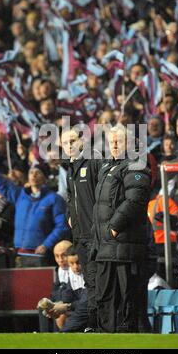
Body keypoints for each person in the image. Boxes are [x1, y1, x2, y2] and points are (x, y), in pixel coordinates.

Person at [91, 125, 152, 333]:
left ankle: (128, 343)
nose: (115, 145)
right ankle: (107, 342)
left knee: (126, 300)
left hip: (124, 247)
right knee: (105, 299)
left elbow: (136, 198)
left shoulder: (136, 164)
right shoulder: (107, 166)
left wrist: (114, 228)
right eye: (112, 141)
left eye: (120, 141)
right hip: (105, 247)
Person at [0, 157, 69, 267]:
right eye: (31, 172)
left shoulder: (54, 199)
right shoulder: (21, 195)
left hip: (40, 256)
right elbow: (2, 184)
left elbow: (62, 225)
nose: (33, 175)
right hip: (19, 254)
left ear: (45, 178)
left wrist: (46, 245)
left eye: (37, 173)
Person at [61, 128, 101, 332]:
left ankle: (98, 326)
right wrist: (71, 216)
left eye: (72, 140)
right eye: (65, 142)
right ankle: (94, 326)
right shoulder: (71, 170)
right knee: (90, 282)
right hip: (80, 237)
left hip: (95, 235)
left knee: (97, 282)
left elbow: (103, 197)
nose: (69, 145)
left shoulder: (93, 162)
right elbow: (70, 197)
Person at [39, 246, 88, 333]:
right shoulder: (70, 274)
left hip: (85, 310)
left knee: (66, 327)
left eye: (78, 263)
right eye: (71, 264)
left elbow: (86, 302)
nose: (75, 267)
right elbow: (67, 295)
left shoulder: (89, 275)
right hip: (76, 308)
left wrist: (67, 307)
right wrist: (56, 306)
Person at [38, 239, 72, 332]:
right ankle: (45, 338)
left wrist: (60, 303)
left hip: (70, 305)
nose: (60, 260)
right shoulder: (59, 271)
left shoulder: (76, 270)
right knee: (43, 308)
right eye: (57, 256)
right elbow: (54, 293)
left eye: (63, 255)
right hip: (59, 302)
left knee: (58, 312)